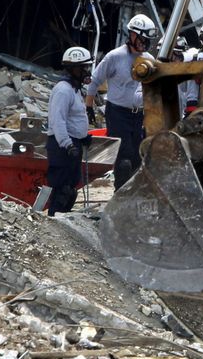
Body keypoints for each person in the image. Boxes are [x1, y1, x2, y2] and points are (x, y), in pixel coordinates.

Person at [86, 14, 157, 190]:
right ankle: (120, 192)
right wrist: (88, 106)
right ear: (132, 35)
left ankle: (131, 194)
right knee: (123, 158)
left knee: (137, 158)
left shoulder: (149, 59)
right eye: (142, 39)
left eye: (147, 40)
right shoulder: (115, 57)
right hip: (118, 113)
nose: (144, 44)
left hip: (139, 115)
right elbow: (94, 81)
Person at [46, 46, 94, 216]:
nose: (87, 71)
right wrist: (67, 145)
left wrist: (83, 137)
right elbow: (57, 121)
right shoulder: (63, 90)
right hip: (62, 146)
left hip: (73, 143)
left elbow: (74, 120)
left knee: (71, 189)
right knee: (62, 190)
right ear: (74, 69)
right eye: (84, 68)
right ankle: (54, 223)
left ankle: (62, 224)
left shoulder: (74, 89)